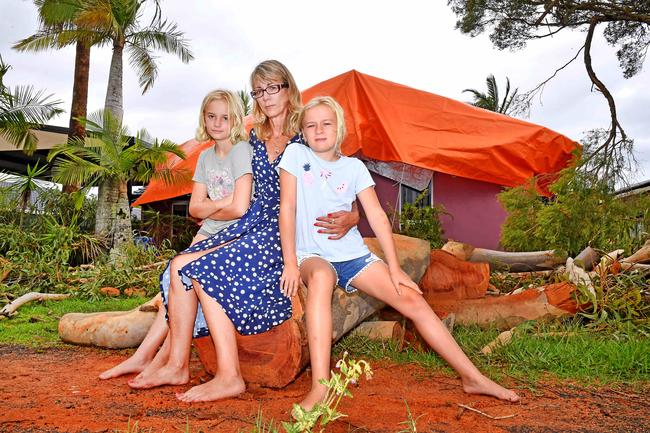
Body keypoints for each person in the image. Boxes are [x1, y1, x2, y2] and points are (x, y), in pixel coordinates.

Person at [126, 60, 360, 401]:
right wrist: (212, 209)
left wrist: (353, 216)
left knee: (202, 271)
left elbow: (342, 179)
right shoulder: (254, 135)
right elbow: (236, 181)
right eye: (258, 90)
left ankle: (229, 375)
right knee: (178, 265)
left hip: (285, 227)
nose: (265, 97)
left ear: (288, 88)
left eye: (273, 88)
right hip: (252, 220)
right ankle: (176, 362)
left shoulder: (306, 130)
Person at [278, 96, 521, 411]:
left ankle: (472, 376)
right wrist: (289, 263)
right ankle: (321, 387)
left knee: (412, 299)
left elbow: (377, 216)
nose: (319, 130)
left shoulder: (354, 168)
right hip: (311, 253)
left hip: (353, 254)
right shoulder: (296, 155)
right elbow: (287, 207)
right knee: (322, 278)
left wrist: (394, 268)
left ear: (340, 128)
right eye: (311, 125)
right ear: (303, 131)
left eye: (327, 124)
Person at [99, 89, 253, 381]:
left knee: (184, 275)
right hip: (208, 231)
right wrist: (221, 204)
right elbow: (195, 208)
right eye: (211, 116)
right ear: (203, 118)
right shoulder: (206, 156)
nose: (217, 123)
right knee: (174, 279)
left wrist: (213, 207)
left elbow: (241, 208)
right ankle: (146, 357)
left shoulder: (241, 150)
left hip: (235, 233)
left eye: (225, 117)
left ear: (235, 119)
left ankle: (163, 360)